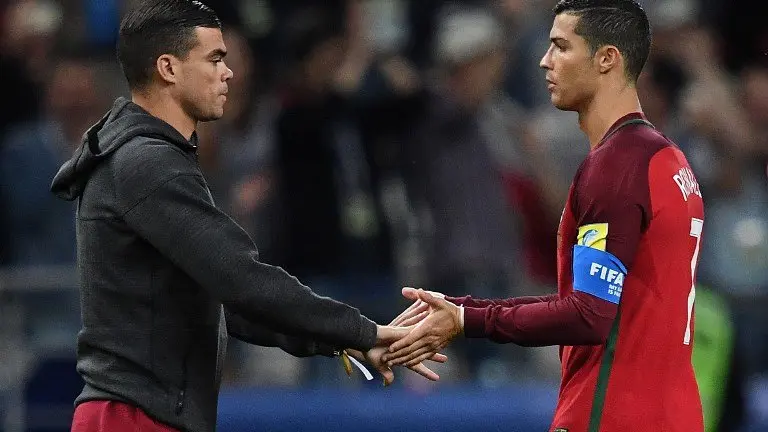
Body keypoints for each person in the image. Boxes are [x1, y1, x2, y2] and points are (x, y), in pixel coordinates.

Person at [49, 1, 440, 431]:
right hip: (134, 417)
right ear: (168, 68)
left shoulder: (148, 157)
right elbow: (240, 280)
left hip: (142, 411)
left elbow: (223, 301)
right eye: (214, 59)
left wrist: (344, 340)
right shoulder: (147, 163)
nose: (229, 73)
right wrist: (361, 331)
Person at [382, 1, 706, 431]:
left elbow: (588, 314)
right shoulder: (668, 160)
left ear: (606, 59)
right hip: (671, 413)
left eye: (561, 47)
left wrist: (465, 319)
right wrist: (463, 309)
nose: (544, 60)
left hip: (611, 415)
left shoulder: (616, 167)